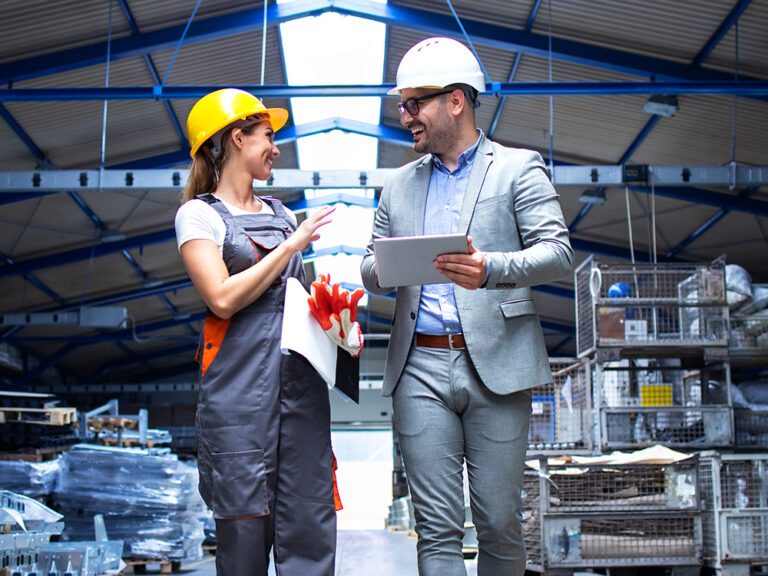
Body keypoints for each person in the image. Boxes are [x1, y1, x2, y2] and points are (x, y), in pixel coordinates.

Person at [361, 37, 574, 576]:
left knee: (499, 519)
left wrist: (491, 270)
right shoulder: (397, 189)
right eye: (402, 105)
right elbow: (369, 268)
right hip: (420, 369)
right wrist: (387, 267)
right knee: (435, 527)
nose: (405, 115)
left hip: (497, 362)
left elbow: (558, 252)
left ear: (456, 101)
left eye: (415, 103)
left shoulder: (518, 169)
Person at [175, 88, 338, 576]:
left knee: (310, 528)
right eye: (267, 136)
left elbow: (298, 304)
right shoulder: (199, 215)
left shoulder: (283, 215)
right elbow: (221, 298)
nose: (276, 147)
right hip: (240, 400)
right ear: (236, 138)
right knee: (244, 538)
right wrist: (292, 246)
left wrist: (338, 322)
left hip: (301, 395)